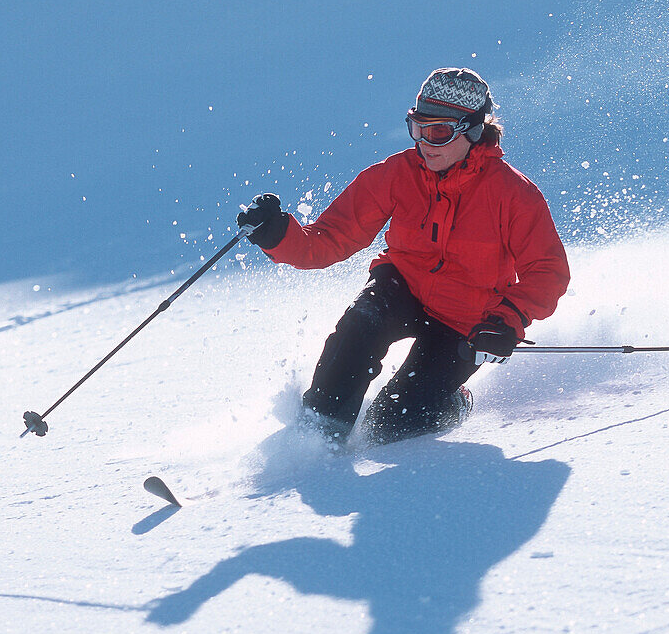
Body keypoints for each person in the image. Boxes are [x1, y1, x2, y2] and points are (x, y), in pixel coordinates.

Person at [237, 67, 570, 445]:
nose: (426, 142)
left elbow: (548, 272)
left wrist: (507, 321)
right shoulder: (397, 173)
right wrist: (279, 236)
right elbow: (328, 239)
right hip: (402, 286)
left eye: (439, 131)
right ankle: (316, 438)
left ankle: (452, 402)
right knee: (356, 332)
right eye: (418, 127)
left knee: (391, 425)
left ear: (472, 130)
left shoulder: (514, 194)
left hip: (467, 319)